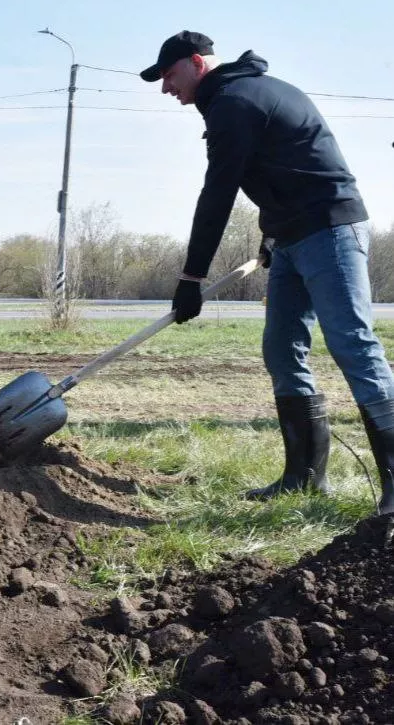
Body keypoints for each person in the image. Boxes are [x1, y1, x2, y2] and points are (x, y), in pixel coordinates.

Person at [141, 30, 394, 516]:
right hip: (290, 237)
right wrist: (270, 234)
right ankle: (303, 478)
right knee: (282, 349)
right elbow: (281, 167)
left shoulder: (236, 101)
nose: (165, 87)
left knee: (353, 346)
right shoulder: (236, 96)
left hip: (330, 229)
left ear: (197, 62)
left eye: (170, 75)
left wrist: (192, 276)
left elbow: (219, 191)